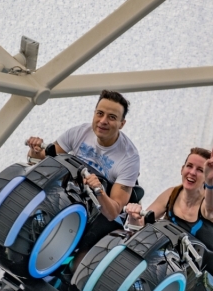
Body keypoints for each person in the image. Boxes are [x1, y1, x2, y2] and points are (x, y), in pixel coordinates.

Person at [26, 89, 139, 223]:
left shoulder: (129, 158)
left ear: (122, 124)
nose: (103, 121)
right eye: (100, 113)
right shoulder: (79, 132)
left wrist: (99, 191)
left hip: (94, 214)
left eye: (112, 117)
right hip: (63, 198)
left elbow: (113, 213)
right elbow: (40, 159)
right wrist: (36, 150)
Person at [124, 146, 213, 253]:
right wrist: (133, 216)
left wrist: (210, 181)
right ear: (182, 170)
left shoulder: (210, 203)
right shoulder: (171, 193)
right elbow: (141, 225)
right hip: (172, 263)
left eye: (200, 170)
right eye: (189, 166)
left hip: (206, 267)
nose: (192, 172)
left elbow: (212, 209)